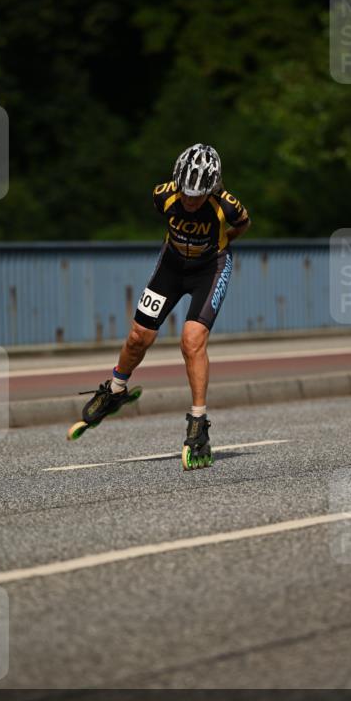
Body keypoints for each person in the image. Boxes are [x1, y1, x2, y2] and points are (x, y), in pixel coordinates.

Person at [78, 143, 251, 469]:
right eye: (186, 193)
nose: (190, 200)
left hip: (210, 269)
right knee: (138, 336)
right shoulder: (162, 195)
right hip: (172, 266)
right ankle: (115, 389)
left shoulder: (227, 206)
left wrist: (224, 240)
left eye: (197, 196)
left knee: (191, 340)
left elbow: (243, 224)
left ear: (212, 189)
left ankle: (198, 423)